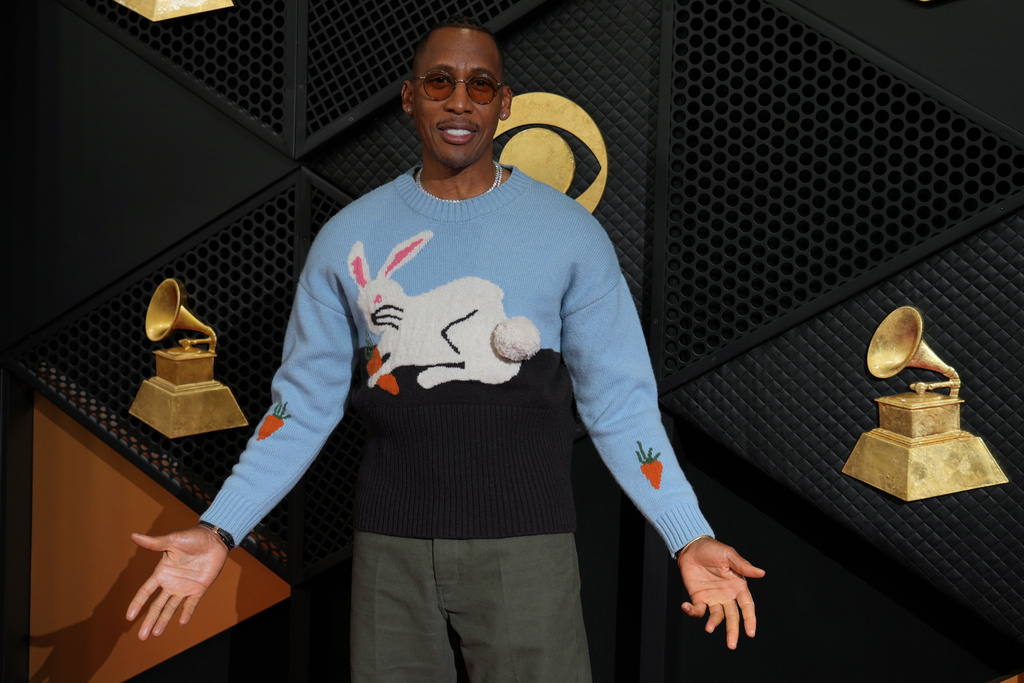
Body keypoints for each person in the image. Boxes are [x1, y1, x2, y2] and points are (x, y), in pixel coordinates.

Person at [126, 17, 764, 680]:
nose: (460, 100)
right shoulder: (348, 239)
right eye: (440, 81)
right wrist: (220, 527)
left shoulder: (571, 236)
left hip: (528, 555)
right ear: (409, 97)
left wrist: (686, 530)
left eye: (480, 85)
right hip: (389, 557)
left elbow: (623, 408)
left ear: (504, 104)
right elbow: (301, 409)